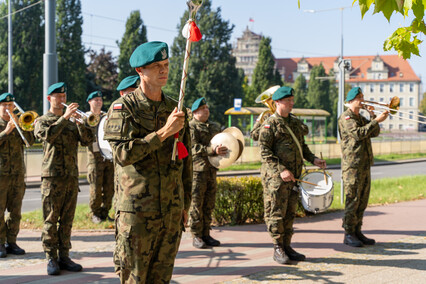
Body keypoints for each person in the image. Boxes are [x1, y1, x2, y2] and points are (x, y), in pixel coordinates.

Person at [103, 41, 192, 283]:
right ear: (140, 71)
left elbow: (186, 159)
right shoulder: (123, 108)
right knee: (134, 279)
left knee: (161, 279)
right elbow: (122, 154)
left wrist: (185, 203)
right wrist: (163, 133)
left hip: (170, 211)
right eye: (156, 66)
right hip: (137, 214)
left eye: (166, 65)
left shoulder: (176, 108)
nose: (164, 70)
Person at [259, 86, 326, 265]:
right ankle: (277, 247)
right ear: (277, 102)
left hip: (294, 176)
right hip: (276, 179)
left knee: (290, 213)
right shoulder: (269, 124)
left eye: (292, 100)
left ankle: (287, 246)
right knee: (276, 213)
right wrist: (281, 169)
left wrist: (314, 159)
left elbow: (301, 147)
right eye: (288, 101)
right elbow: (264, 152)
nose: (291, 103)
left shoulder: (294, 123)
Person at [34, 82, 94, 275]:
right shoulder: (42, 120)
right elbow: (47, 136)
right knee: (51, 219)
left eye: (64, 97)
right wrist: (65, 118)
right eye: (58, 97)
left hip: (70, 177)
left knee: (67, 220)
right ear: (49, 99)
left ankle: (64, 256)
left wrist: (82, 123)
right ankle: (51, 258)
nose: (62, 100)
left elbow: (87, 141)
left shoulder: (71, 122)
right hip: (52, 177)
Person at [338, 87, 389, 247]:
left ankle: (357, 231)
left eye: (362, 97)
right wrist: (375, 120)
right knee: (352, 199)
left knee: (362, 200)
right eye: (360, 97)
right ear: (352, 100)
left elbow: (374, 133)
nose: (363, 100)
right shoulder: (346, 117)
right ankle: (348, 233)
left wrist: (373, 116)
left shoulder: (359, 117)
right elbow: (359, 134)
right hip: (352, 165)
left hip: (364, 164)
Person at [188, 97, 227, 249]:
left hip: (211, 169)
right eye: (203, 108)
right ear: (195, 112)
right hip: (198, 171)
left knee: (209, 203)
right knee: (197, 204)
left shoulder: (214, 126)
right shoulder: (191, 127)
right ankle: (196, 235)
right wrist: (212, 150)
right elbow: (193, 148)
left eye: (207, 108)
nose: (206, 110)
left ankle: (206, 233)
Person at [0, 93, 35, 258]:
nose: (8, 109)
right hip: (1, 175)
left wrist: (25, 127)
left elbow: (30, 142)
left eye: (11, 106)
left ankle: (11, 241)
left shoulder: (19, 123)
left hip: (18, 174)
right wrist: (6, 132)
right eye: (5, 106)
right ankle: (0, 243)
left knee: (16, 211)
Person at [85, 91, 114, 224]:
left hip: (107, 156)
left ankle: (105, 212)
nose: (99, 102)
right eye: (95, 100)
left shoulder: (106, 116)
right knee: (95, 189)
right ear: (89, 102)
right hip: (94, 159)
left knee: (109, 187)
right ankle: (95, 213)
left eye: (100, 100)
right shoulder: (86, 117)